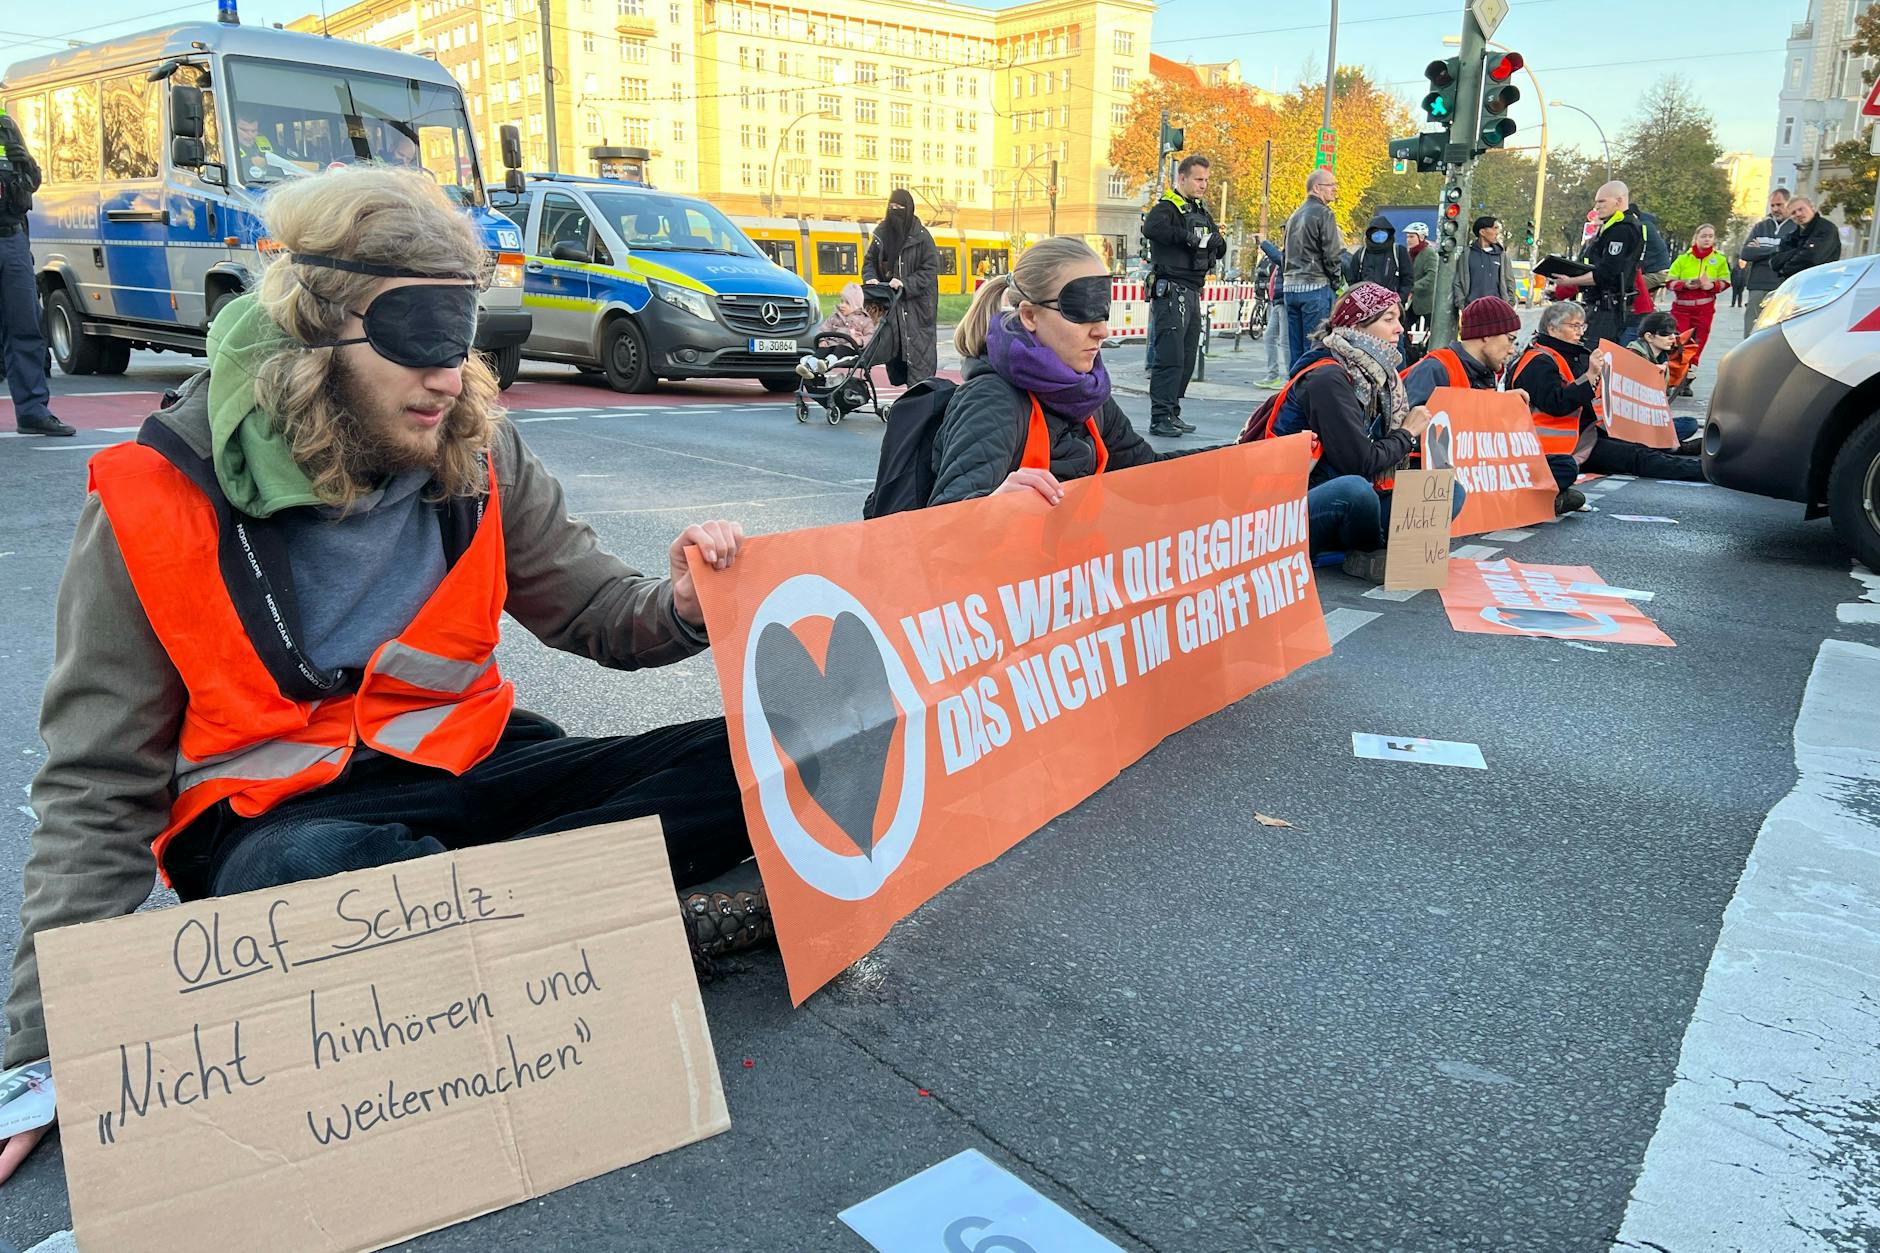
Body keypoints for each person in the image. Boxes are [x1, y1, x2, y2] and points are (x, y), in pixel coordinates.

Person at [0, 168, 768, 1181]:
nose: (449, 373)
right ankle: (598, 915)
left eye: (463, 332)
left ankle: (526, 928)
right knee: (318, 881)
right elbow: (97, 783)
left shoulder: (481, 453)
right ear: (314, 330)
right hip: (280, 820)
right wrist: (39, 1044)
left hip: (475, 771)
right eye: (416, 332)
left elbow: (591, 608)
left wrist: (675, 602)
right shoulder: (153, 495)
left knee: (753, 759)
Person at [929, 236, 1192, 505]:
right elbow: (945, 523)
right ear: (1030, 316)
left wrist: (1235, 454)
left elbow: (1149, 472)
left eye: (1103, 312)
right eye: (1082, 312)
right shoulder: (991, 401)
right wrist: (992, 508)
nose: (1102, 331)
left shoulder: (1090, 396)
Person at [1265, 282, 1465, 568]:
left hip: (1361, 495)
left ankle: (1373, 554)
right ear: (1358, 326)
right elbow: (1359, 462)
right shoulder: (1327, 378)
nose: (1399, 329)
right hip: (1296, 505)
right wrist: (1407, 433)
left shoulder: (1380, 376)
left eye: (1399, 319)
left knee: (1445, 490)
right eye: (1388, 319)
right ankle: (1376, 552)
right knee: (1354, 489)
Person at [1403, 295, 1585, 516]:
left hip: (1477, 467)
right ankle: (1526, 502)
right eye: (1509, 339)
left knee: (1564, 465)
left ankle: (1511, 502)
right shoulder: (1437, 367)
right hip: (1442, 468)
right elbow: (1411, 431)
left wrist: (1504, 406)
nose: (1511, 349)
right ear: (1487, 335)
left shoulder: (1485, 373)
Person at [1509, 300, 1703, 482]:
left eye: (1582, 326)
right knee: (1636, 456)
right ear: (1552, 328)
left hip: (1586, 432)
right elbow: (1557, 404)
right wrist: (1590, 376)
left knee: (1640, 448)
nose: (1580, 332)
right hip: (1563, 445)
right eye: (1573, 326)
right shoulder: (1539, 360)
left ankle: (1683, 453)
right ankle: (1700, 470)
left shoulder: (1567, 355)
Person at [1140, 155, 1227, 437]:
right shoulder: (1167, 208)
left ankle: (1172, 410)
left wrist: (1216, 242)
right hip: (1171, 289)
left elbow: (1218, 245)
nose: (1204, 185)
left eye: (1206, 180)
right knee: (1171, 356)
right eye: (1199, 179)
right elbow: (1152, 228)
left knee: (1188, 355)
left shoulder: (1200, 211)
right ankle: (1159, 416)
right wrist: (1189, 238)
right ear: (1182, 179)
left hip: (1192, 290)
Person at [0, 106, 70, 437]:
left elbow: (33, 180)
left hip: (11, 237)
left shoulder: (6, 125)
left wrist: (25, 163)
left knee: (25, 327)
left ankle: (32, 412)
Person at [863, 188, 942, 386]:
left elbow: (930, 270)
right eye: (891, 207)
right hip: (892, 306)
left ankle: (918, 402)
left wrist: (905, 284)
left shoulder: (922, 237)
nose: (894, 211)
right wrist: (871, 278)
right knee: (896, 355)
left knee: (918, 359)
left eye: (899, 207)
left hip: (917, 309)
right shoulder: (881, 233)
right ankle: (908, 401)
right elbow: (870, 261)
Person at [1552, 181, 1644, 349]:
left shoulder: (1622, 229)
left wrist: (1570, 281)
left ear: (1619, 200)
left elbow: (1607, 274)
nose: (1597, 207)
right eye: (1596, 202)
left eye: (1602, 202)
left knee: (1592, 354)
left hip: (1607, 308)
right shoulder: (1611, 226)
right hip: (1601, 305)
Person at [1282, 168, 1344, 370]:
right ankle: (1309, 397)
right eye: (1331, 185)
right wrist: (1336, 280)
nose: (1335, 189)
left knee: (1296, 352)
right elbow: (1331, 253)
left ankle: (1293, 393)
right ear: (1317, 188)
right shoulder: (1324, 213)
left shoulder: (1294, 216)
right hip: (1315, 286)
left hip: (1291, 287)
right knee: (1315, 349)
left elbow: (1286, 253)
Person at [1666, 223, 1731, 381]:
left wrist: (1712, 285)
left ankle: (1688, 378)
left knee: (1698, 344)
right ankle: (1674, 376)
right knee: (1678, 342)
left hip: (1704, 310)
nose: (1707, 239)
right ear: (1695, 238)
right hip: (1681, 310)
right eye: (1703, 236)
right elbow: (1669, 281)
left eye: (1710, 236)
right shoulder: (1683, 260)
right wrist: (1685, 284)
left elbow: (1726, 282)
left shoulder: (1719, 259)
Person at [1628, 311, 1702, 447]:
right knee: (1684, 426)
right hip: (1634, 422)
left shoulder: (1663, 356)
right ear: (1649, 336)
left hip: (1653, 419)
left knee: (1690, 423)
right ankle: (1670, 446)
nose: (1672, 338)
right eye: (1665, 334)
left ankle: (1664, 444)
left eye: (1674, 333)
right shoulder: (1633, 355)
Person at [1737, 188, 1794, 333]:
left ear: (1789, 204)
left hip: (1784, 286)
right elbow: (1747, 253)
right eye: (1773, 205)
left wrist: (1761, 250)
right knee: (1752, 329)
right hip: (1757, 284)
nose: (1775, 209)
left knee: (1777, 330)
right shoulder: (1760, 227)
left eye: (1779, 205)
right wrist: (1777, 249)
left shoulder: (1796, 228)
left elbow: (1794, 254)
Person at [1451, 216, 1517, 313]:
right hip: (1473, 310)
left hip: (1497, 310)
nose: (1497, 232)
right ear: (1482, 232)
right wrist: (1463, 305)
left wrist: (1509, 303)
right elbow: (1458, 282)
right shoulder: (1467, 254)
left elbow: (1509, 281)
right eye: (1494, 228)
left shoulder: (1501, 255)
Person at [1344, 215, 1411, 305]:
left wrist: (1399, 299)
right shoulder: (1361, 254)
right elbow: (1352, 279)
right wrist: (1360, 299)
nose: (1379, 235)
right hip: (1367, 305)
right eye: (1375, 232)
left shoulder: (1398, 251)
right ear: (1370, 234)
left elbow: (1408, 279)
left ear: (1389, 233)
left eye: (1383, 232)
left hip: (1392, 304)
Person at [1771, 197, 1842, 281]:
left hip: (1820, 282)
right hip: (1796, 284)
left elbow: (1812, 259)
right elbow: (1775, 262)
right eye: (1793, 213)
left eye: (1801, 209)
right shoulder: (1791, 236)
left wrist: (1785, 270)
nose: (1798, 214)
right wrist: (1800, 250)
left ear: (1812, 208)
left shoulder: (1826, 228)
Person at [1256, 234, 1288, 387]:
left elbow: (1279, 259)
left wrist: (1264, 243)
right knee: (1269, 336)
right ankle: (1273, 375)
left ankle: (1290, 377)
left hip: (1284, 300)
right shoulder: (1288, 248)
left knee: (1284, 340)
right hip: (1277, 301)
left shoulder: (1295, 250)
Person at [1404, 221, 1436, 365]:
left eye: (1412, 237)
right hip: (1412, 301)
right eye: (1408, 237)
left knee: (1434, 330)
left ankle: (1427, 353)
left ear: (1421, 238)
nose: (1408, 240)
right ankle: (1409, 354)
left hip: (1426, 301)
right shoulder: (1410, 254)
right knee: (1402, 328)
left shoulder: (1429, 253)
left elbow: (1432, 275)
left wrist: (1413, 286)